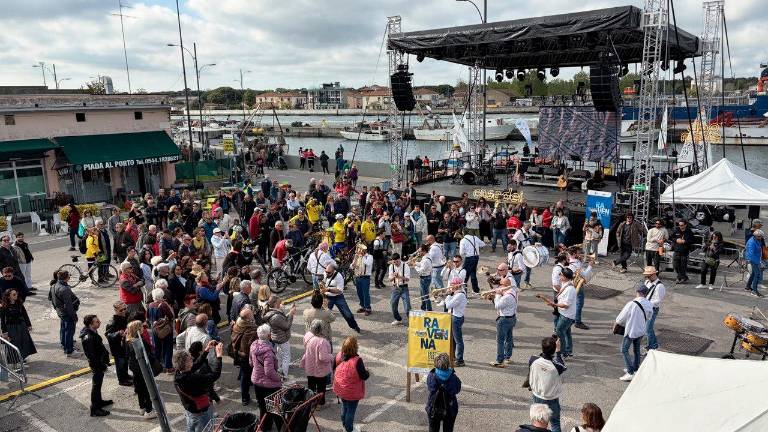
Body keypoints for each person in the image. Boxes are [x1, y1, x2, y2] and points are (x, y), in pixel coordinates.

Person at [173, 341, 224, 431]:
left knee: (191, 428)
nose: (192, 358)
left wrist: (206, 350)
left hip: (190, 410)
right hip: (200, 412)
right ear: (187, 364)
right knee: (206, 429)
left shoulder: (178, 374)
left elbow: (196, 365)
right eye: (189, 359)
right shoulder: (194, 378)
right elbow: (215, 375)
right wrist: (219, 356)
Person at [526, 337, 566, 432]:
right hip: (551, 398)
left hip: (537, 395)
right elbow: (562, 365)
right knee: (555, 423)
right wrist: (558, 351)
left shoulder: (533, 359)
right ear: (554, 349)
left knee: (538, 421)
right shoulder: (557, 366)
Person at [615, 283, 652, 382]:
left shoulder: (631, 304)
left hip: (631, 330)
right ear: (646, 293)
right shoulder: (649, 303)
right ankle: (635, 368)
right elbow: (649, 317)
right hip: (641, 330)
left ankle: (630, 372)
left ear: (637, 292)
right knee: (636, 350)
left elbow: (620, 319)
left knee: (624, 350)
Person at [251, 323, 283, 431]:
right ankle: (282, 428)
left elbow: (251, 362)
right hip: (269, 385)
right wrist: (279, 378)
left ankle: (265, 426)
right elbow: (269, 372)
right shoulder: (268, 352)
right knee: (276, 408)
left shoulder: (253, 345)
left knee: (262, 406)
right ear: (269, 336)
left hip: (256, 380)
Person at [333, 336, 370, 432]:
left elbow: (334, 367)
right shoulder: (357, 361)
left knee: (344, 406)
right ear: (355, 347)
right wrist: (367, 372)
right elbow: (364, 376)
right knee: (351, 410)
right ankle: (349, 429)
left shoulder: (339, 355)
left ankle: (344, 424)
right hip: (352, 392)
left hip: (341, 388)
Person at [80, 314, 112, 417]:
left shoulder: (92, 331)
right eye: (97, 322)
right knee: (96, 386)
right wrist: (101, 365)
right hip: (97, 364)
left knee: (98, 385)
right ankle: (95, 408)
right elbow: (92, 355)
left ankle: (99, 402)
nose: (99, 322)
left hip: (99, 362)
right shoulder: (89, 337)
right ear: (90, 324)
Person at [125, 320, 157, 419]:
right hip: (142, 368)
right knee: (147, 388)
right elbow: (148, 356)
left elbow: (127, 355)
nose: (144, 328)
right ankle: (149, 410)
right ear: (138, 329)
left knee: (139, 389)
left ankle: (142, 407)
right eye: (142, 327)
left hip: (134, 368)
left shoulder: (128, 340)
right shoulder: (140, 341)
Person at [542, 268, 576, 358]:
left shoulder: (570, 289)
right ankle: (568, 351)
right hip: (565, 314)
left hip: (566, 316)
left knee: (560, 333)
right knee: (567, 333)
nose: (559, 275)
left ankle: (563, 353)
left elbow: (566, 305)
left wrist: (554, 304)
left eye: (561, 274)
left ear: (565, 277)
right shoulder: (566, 284)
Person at [229, 307, 259, 406]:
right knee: (248, 376)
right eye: (251, 314)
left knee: (244, 374)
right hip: (246, 357)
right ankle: (245, 398)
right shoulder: (251, 329)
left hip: (238, 353)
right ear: (247, 318)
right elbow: (249, 347)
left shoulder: (238, 323)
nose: (253, 314)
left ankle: (245, 396)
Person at [425, 352, 461, 432]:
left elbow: (430, 387)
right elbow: (457, 389)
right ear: (448, 364)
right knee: (448, 429)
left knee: (433, 429)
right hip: (450, 409)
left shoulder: (431, 376)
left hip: (433, 408)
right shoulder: (453, 378)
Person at [302, 319, 333, 405]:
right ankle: (320, 404)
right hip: (320, 370)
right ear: (321, 329)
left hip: (309, 366)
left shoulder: (308, 336)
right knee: (321, 388)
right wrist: (330, 356)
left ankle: (310, 402)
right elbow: (323, 358)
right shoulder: (322, 342)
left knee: (311, 386)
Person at [263, 295, 295, 379]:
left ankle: (278, 370)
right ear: (275, 304)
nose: (281, 304)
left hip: (277, 337)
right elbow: (286, 325)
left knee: (279, 355)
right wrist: (291, 314)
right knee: (286, 357)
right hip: (282, 339)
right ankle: (284, 375)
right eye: (280, 303)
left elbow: (282, 320)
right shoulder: (275, 316)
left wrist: (289, 313)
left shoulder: (273, 313)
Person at [323, 263, 362, 333]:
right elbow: (323, 282)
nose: (327, 274)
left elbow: (339, 291)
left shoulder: (339, 276)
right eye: (326, 272)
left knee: (348, 314)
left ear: (333, 271)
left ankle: (354, 326)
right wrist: (321, 286)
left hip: (338, 297)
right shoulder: (326, 273)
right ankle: (322, 330)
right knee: (323, 316)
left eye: (329, 273)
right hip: (327, 297)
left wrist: (328, 289)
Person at [49, 270, 80, 357]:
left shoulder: (54, 286)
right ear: (67, 278)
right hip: (67, 313)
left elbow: (51, 299)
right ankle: (69, 351)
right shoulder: (65, 289)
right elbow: (69, 306)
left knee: (63, 329)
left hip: (60, 312)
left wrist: (57, 309)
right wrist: (74, 316)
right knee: (69, 332)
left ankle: (64, 344)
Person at [0, 288, 36, 360]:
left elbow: (25, 314)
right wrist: (4, 332)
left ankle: (23, 358)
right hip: (11, 328)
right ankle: (15, 361)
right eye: (14, 294)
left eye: (16, 294)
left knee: (23, 342)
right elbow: (3, 320)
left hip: (21, 326)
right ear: (8, 296)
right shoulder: (4, 307)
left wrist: (29, 325)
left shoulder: (19, 303)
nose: (16, 295)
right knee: (14, 344)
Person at [439, 278, 467, 367]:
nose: (450, 287)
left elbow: (448, 305)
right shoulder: (456, 293)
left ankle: (460, 360)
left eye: (452, 285)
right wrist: (448, 295)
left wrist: (448, 295)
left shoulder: (460, 295)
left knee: (458, 340)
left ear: (458, 285)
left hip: (456, 318)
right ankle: (454, 356)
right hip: (453, 317)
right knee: (453, 339)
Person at [147, 287, 175, 373]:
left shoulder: (150, 305)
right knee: (168, 348)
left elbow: (147, 317)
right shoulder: (163, 305)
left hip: (155, 329)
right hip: (165, 330)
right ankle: (168, 367)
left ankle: (157, 366)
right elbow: (171, 316)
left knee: (157, 348)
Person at [105, 301, 133, 386]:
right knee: (120, 364)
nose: (124, 311)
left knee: (125, 362)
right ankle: (122, 380)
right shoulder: (112, 321)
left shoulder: (126, 316)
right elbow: (108, 335)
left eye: (125, 309)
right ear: (116, 310)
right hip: (117, 347)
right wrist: (118, 334)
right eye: (121, 310)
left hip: (125, 345)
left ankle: (126, 375)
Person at [388, 253, 412, 326]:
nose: (395, 263)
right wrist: (394, 277)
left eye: (397, 261)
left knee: (407, 307)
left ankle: (411, 322)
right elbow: (390, 279)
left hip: (404, 287)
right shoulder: (391, 266)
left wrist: (400, 277)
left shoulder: (406, 266)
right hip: (395, 287)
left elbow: (407, 279)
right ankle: (398, 319)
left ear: (399, 259)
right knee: (393, 304)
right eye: (394, 262)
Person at [670, 219, 694, 283]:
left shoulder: (689, 232)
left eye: (682, 225)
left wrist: (685, 241)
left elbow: (692, 241)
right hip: (677, 250)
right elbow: (671, 237)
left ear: (685, 225)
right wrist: (676, 240)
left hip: (684, 251)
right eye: (679, 225)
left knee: (683, 265)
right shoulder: (676, 230)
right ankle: (683, 277)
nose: (681, 226)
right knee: (675, 265)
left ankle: (679, 278)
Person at [352, 244, 374, 315]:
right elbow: (352, 267)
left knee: (365, 293)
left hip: (365, 277)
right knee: (359, 293)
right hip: (358, 277)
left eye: (359, 249)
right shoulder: (357, 257)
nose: (358, 251)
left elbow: (368, 263)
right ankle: (363, 306)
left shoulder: (369, 257)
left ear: (363, 250)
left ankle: (368, 308)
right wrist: (355, 259)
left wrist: (362, 256)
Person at [745, 229, 765, 297]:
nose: (761, 238)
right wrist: (759, 263)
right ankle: (754, 291)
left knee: (753, 273)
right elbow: (751, 254)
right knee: (757, 274)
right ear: (756, 236)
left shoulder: (757, 240)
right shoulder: (752, 242)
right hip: (753, 260)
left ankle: (748, 287)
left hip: (755, 259)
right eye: (760, 236)